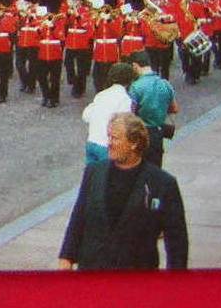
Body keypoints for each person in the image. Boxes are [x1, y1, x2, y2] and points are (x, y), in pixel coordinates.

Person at [58, 113, 188, 271]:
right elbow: (78, 218)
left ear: (134, 143)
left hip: (136, 277)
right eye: (109, 137)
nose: (109, 143)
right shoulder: (94, 172)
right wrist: (66, 258)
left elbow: (177, 241)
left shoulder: (162, 183)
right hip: (93, 271)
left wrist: (175, 283)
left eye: (115, 138)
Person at [127, 51, 179, 168]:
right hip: (158, 132)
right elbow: (175, 108)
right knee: (155, 171)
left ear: (135, 66)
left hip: (140, 132)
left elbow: (130, 113)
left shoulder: (136, 87)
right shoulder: (165, 84)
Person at [81, 62, 135, 166]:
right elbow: (123, 125)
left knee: (92, 177)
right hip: (108, 145)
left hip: (92, 141)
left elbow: (86, 116)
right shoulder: (125, 99)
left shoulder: (101, 94)